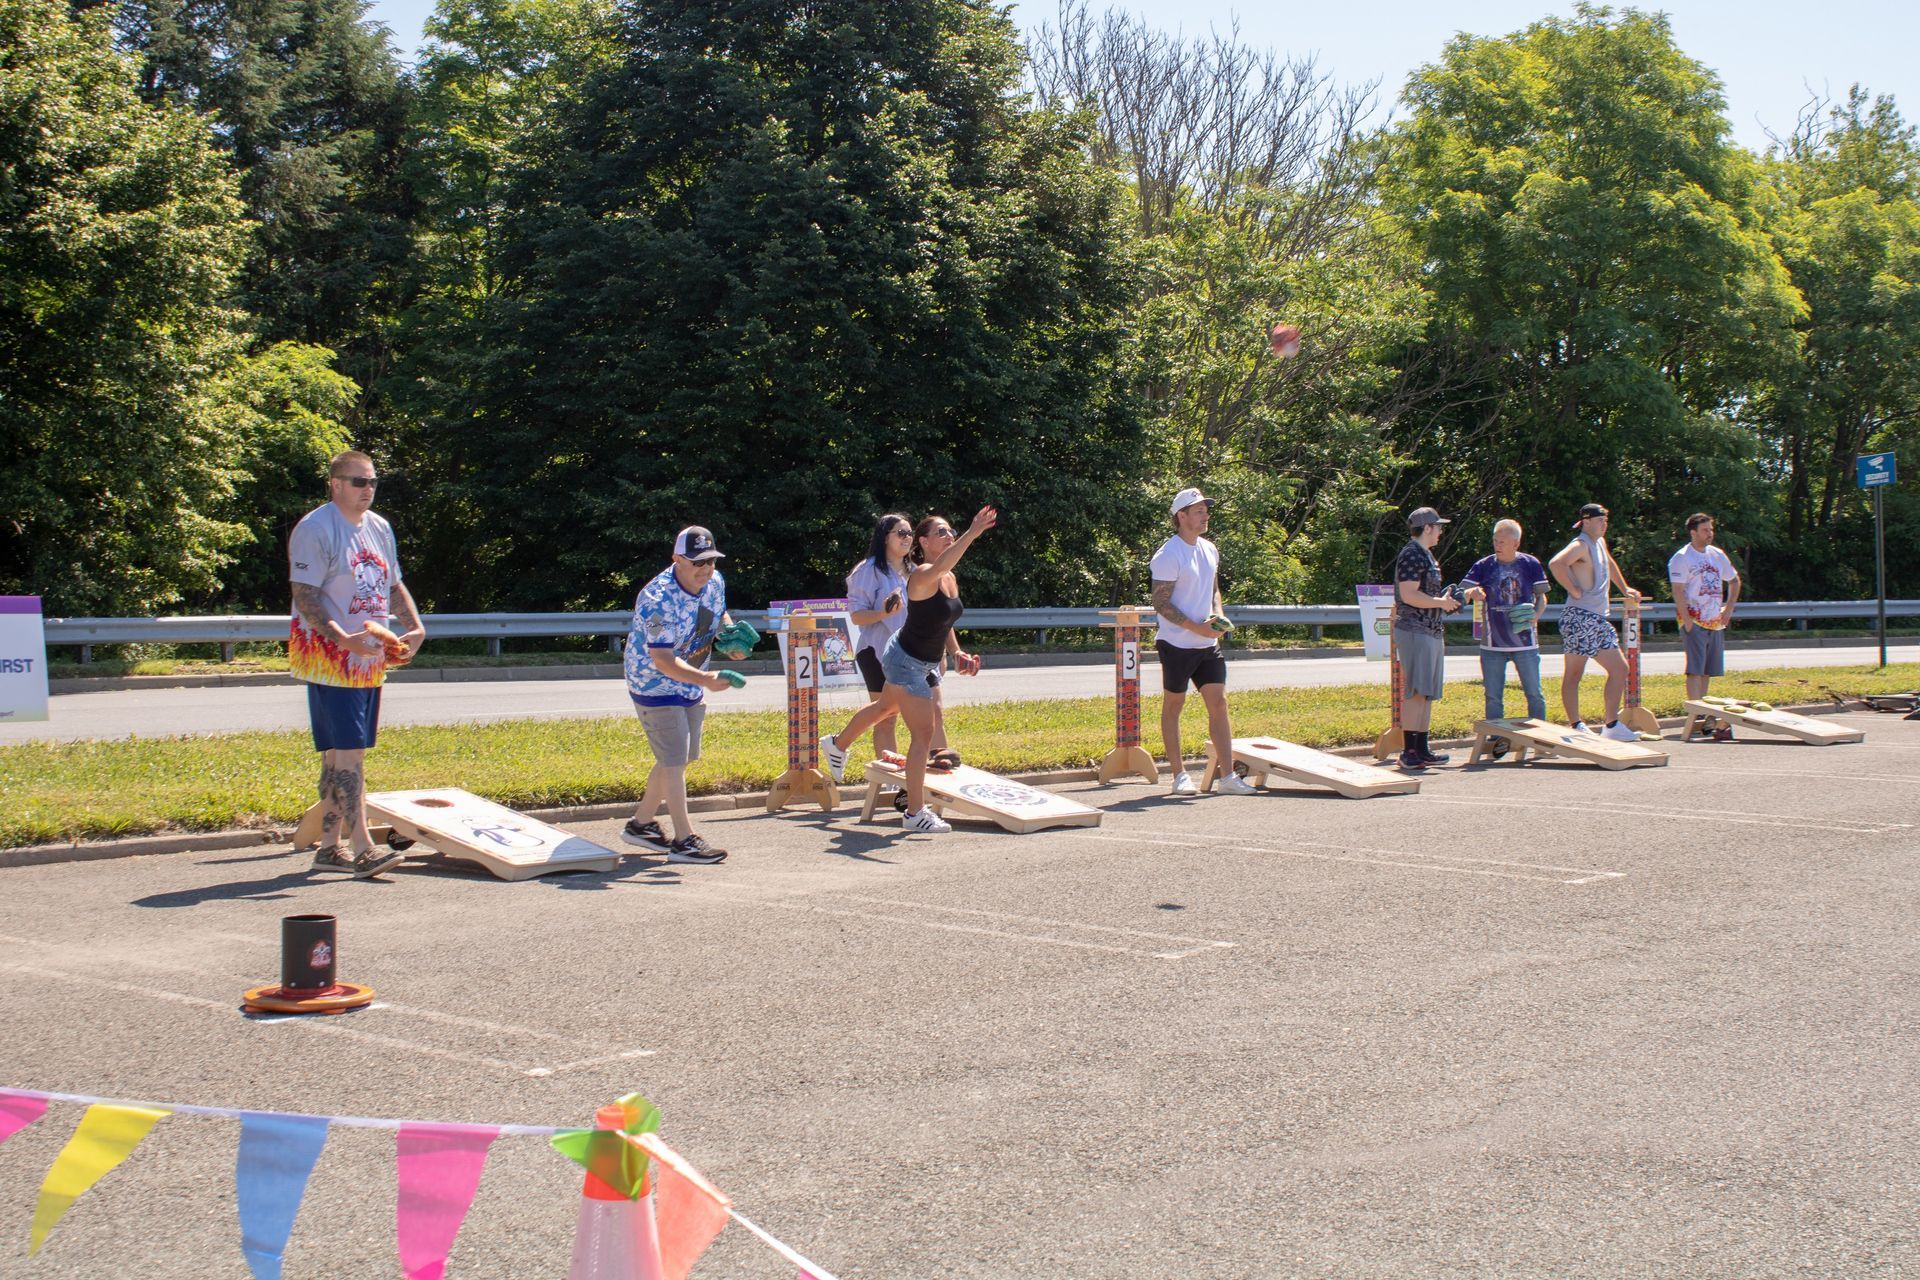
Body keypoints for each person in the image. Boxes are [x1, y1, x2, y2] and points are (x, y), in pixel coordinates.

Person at [290, 450, 423, 878]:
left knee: (338, 755)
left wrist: (414, 626)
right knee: (350, 753)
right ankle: (363, 847)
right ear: (335, 484)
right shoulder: (316, 528)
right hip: (330, 658)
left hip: (368, 659)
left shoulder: (379, 527)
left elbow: (393, 584)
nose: (368, 490)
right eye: (358, 482)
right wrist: (341, 638)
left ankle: (329, 848)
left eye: (372, 482)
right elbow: (305, 595)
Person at [823, 507, 995, 834]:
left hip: (918, 658)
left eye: (951, 531)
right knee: (922, 733)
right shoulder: (922, 575)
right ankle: (915, 811)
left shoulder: (946, 578)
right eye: (941, 532)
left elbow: (943, 621)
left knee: (884, 709)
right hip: (905, 661)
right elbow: (859, 614)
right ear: (924, 542)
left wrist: (957, 652)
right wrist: (973, 532)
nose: (949, 536)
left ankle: (837, 743)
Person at [619, 526, 746, 864]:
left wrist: (730, 637)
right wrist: (706, 678)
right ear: (676, 559)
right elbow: (662, 659)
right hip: (653, 682)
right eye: (697, 562)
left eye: (710, 561)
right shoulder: (657, 600)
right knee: (674, 760)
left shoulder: (714, 582)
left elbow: (718, 613)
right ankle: (684, 840)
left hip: (690, 678)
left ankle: (641, 825)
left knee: (682, 756)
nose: (705, 569)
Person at [1150, 488, 1259, 796]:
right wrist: (1195, 628)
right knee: (1174, 704)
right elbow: (1161, 603)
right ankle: (1179, 775)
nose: (1205, 515)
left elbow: (1214, 590)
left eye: (1206, 510)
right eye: (1198, 511)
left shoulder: (1210, 549)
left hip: (1207, 645)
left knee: (1219, 704)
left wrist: (1218, 617)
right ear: (1181, 516)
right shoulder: (1167, 555)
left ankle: (1228, 777)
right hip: (1176, 644)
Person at [1548, 502, 1643, 741]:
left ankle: (1611, 725)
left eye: (1606, 520)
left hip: (1598, 619)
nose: (1604, 524)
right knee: (1574, 674)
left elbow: (1609, 563)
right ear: (1586, 521)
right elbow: (1556, 563)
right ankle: (1576, 724)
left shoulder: (1599, 543)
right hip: (1579, 617)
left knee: (1620, 669)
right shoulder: (1580, 544)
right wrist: (1573, 589)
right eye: (1600, 520)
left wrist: (1625, 588)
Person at [1460, 518, 1551, 758]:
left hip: (1525, 641)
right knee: (1493, 697)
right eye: (1495, 540)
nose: (1497, 545)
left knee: (1534, 693)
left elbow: (1542, 597)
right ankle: (1495, 740)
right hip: (1493, 643)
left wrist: (1536, 615)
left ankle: (1541, 740)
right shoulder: (1484, 565)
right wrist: (1473, 592)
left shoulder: (1530, 564)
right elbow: (1463, 591)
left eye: (1502, 541)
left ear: (1515, 543)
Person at [1392, 507, 1463, 769]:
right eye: (1438, 526)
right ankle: (1409, 752)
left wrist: (1445, 600)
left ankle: (1421, 749)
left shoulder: (1426, 554)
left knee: (1427, 692)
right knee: (1416, 691)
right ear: (1427, 528)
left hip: (1430, 629)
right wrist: (1441, 603)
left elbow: (1425, 594)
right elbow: (1408, 594)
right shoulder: (1412, 553)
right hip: (1415, 629)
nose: (1441, 531)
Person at [1668, 513, 1742, 740]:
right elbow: (1678, 590)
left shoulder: (1717, 555)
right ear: (1693, 532)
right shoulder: (1682, 557)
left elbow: (1734, 581)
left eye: (1711, 530)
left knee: (1708, 670)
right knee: (1695, 669)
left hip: (1714, 620)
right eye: (1705, 530)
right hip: (1694, 619)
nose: (1710, 534)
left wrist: (1728, 609)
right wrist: (1687, 620)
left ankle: (1705, 713)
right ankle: (1696, 714)